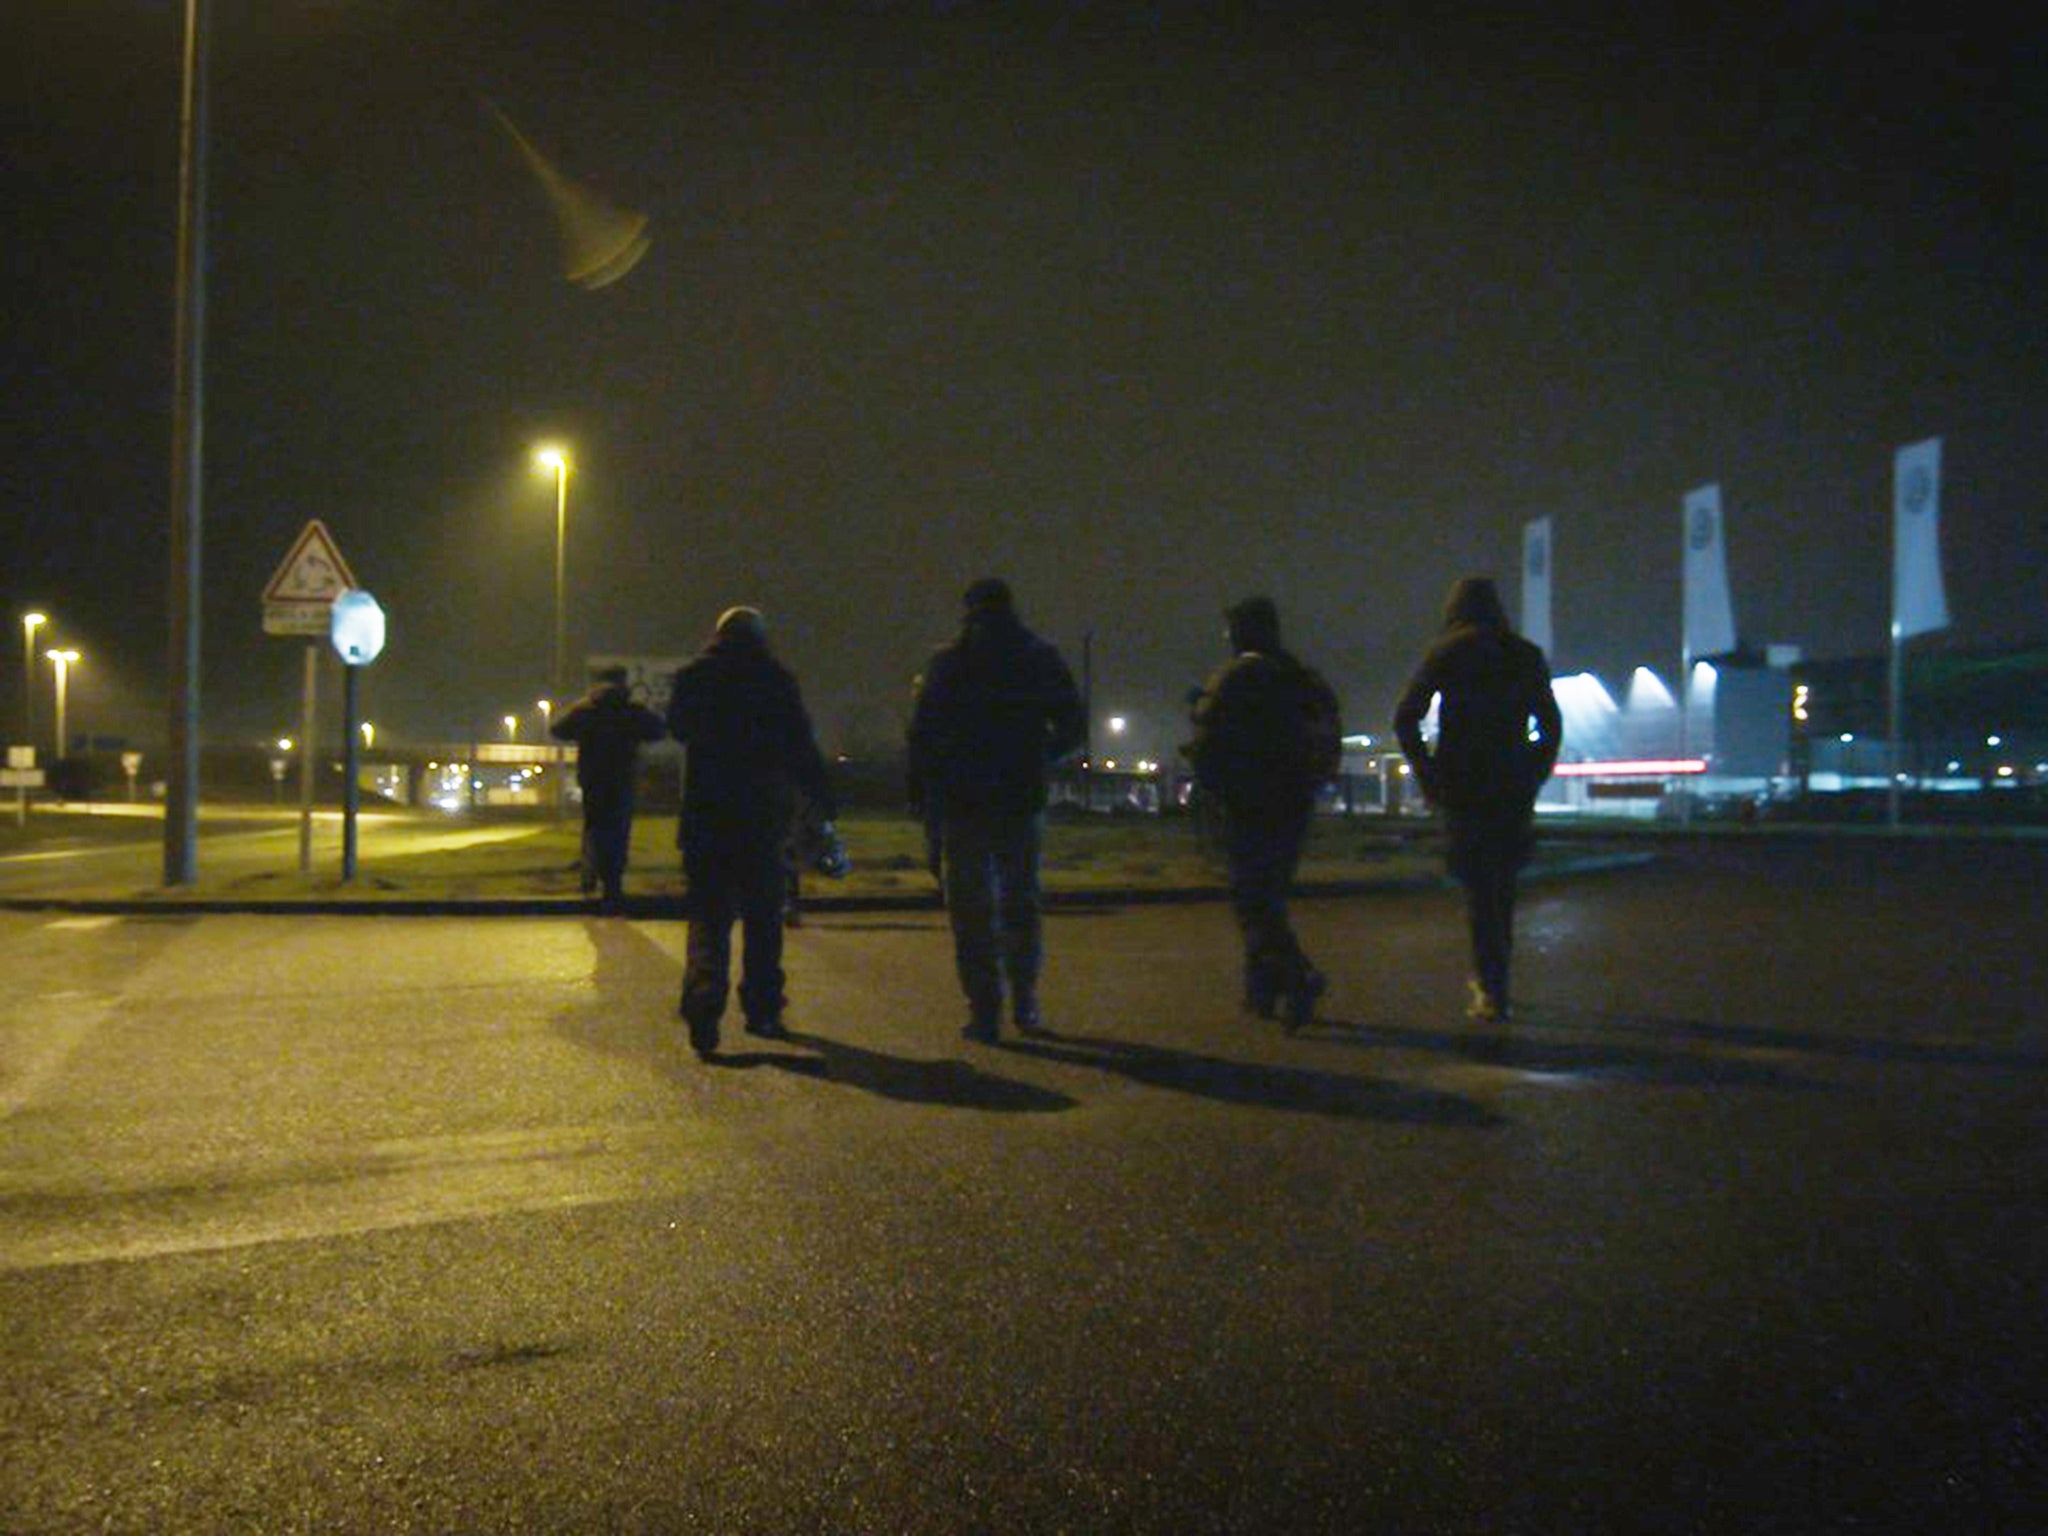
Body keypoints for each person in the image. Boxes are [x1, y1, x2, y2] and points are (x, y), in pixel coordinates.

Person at [908, 578, 1085, 1042]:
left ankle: (984, 1009)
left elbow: (921, 737)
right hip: (1018, 797)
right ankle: (1025, 999)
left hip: (960, 800)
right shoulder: (1038, 657)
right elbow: (1073, 724)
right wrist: (1038, 754)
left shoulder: (948, 663)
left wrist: (924, 799)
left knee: (970, 911)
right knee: (1020, 903)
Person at [1393, 575, 1562, 1027]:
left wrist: (1429, 773)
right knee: (1502, 885)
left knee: (1478, 888)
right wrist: (1533, 772)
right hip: (1511, 786)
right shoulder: (1523, 655)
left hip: (1463, 786)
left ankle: (1490, 984)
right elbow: (1550, 725)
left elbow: (1405, 717)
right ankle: (1497, 980)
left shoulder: (1448, 651)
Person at [667, 606, 835, 1057]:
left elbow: (678, 728)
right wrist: (822, 799)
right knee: (764, 918)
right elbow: (801, 745)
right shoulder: (776, 679)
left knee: (709, 917)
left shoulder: (694, 677)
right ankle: (762, 1007)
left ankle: (704, 1002)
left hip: (706, 815)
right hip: (762, 817)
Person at [1184, 596, 1343, 1030]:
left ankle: (1296, 976)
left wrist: (1211, 780)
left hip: (1247, 802)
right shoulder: (1303, 678)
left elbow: (1207, 740)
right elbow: (1329, 732)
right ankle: (1263, 991)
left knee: (1253, 901)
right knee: (1269, 894)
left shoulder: (1236, 675)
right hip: (1295, 801)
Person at [547, 665, 665, 909]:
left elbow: (557, 728)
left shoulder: (586, 711)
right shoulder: (630, 711)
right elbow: (658, 730)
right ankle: (613, 883)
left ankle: (590, 876)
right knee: (619, 829)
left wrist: (581, 704)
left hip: (593, 779)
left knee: (593, 826)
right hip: (622, 777)